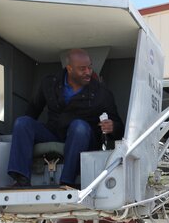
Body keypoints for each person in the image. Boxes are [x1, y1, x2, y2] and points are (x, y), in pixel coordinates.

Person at [7, 48, 124, 188]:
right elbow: (32, 111)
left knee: (79, 127)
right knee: (22, 123)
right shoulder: (49, 84)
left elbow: (119, 127)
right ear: (69, 69)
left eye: (89, 67)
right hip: (54, 132)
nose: (88, 72)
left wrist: (113, 127)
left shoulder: (102, 93)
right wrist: (25, 136)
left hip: (84, 138)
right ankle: (21, 180)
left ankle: (67, 182)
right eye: (82, 69)